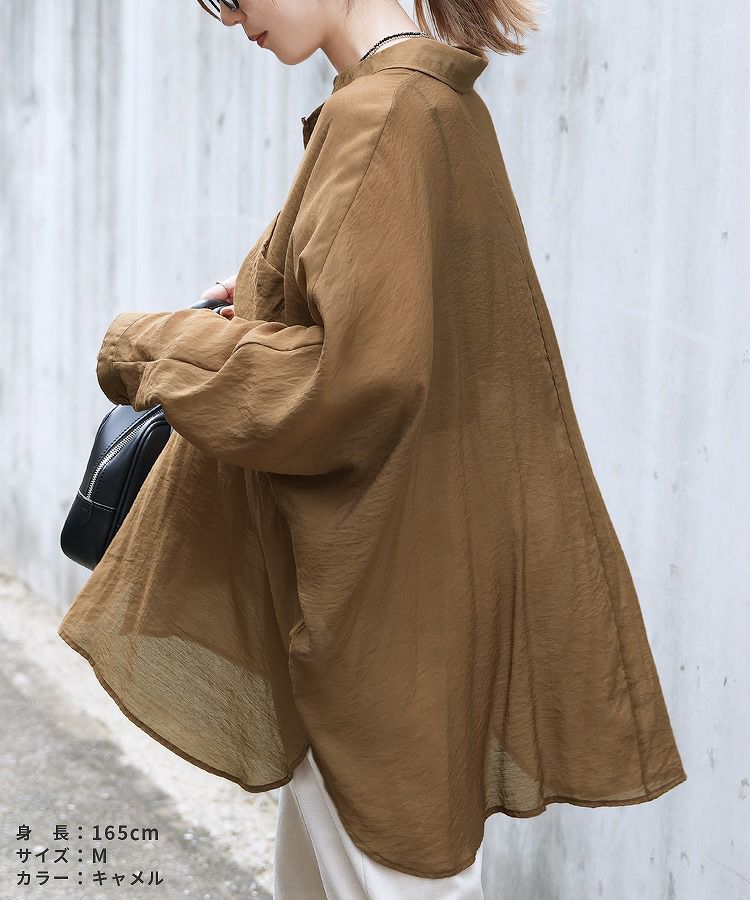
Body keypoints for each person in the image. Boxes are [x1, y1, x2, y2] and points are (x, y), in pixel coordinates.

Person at [58, 0, 687, 897]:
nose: (227, 17)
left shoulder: (382, 113)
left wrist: (145, 344)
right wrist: (264, 297)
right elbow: (400, 337)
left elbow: (348, 384)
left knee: (392, 869)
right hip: (410, 580)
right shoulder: (433, 103)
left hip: (369, 603)